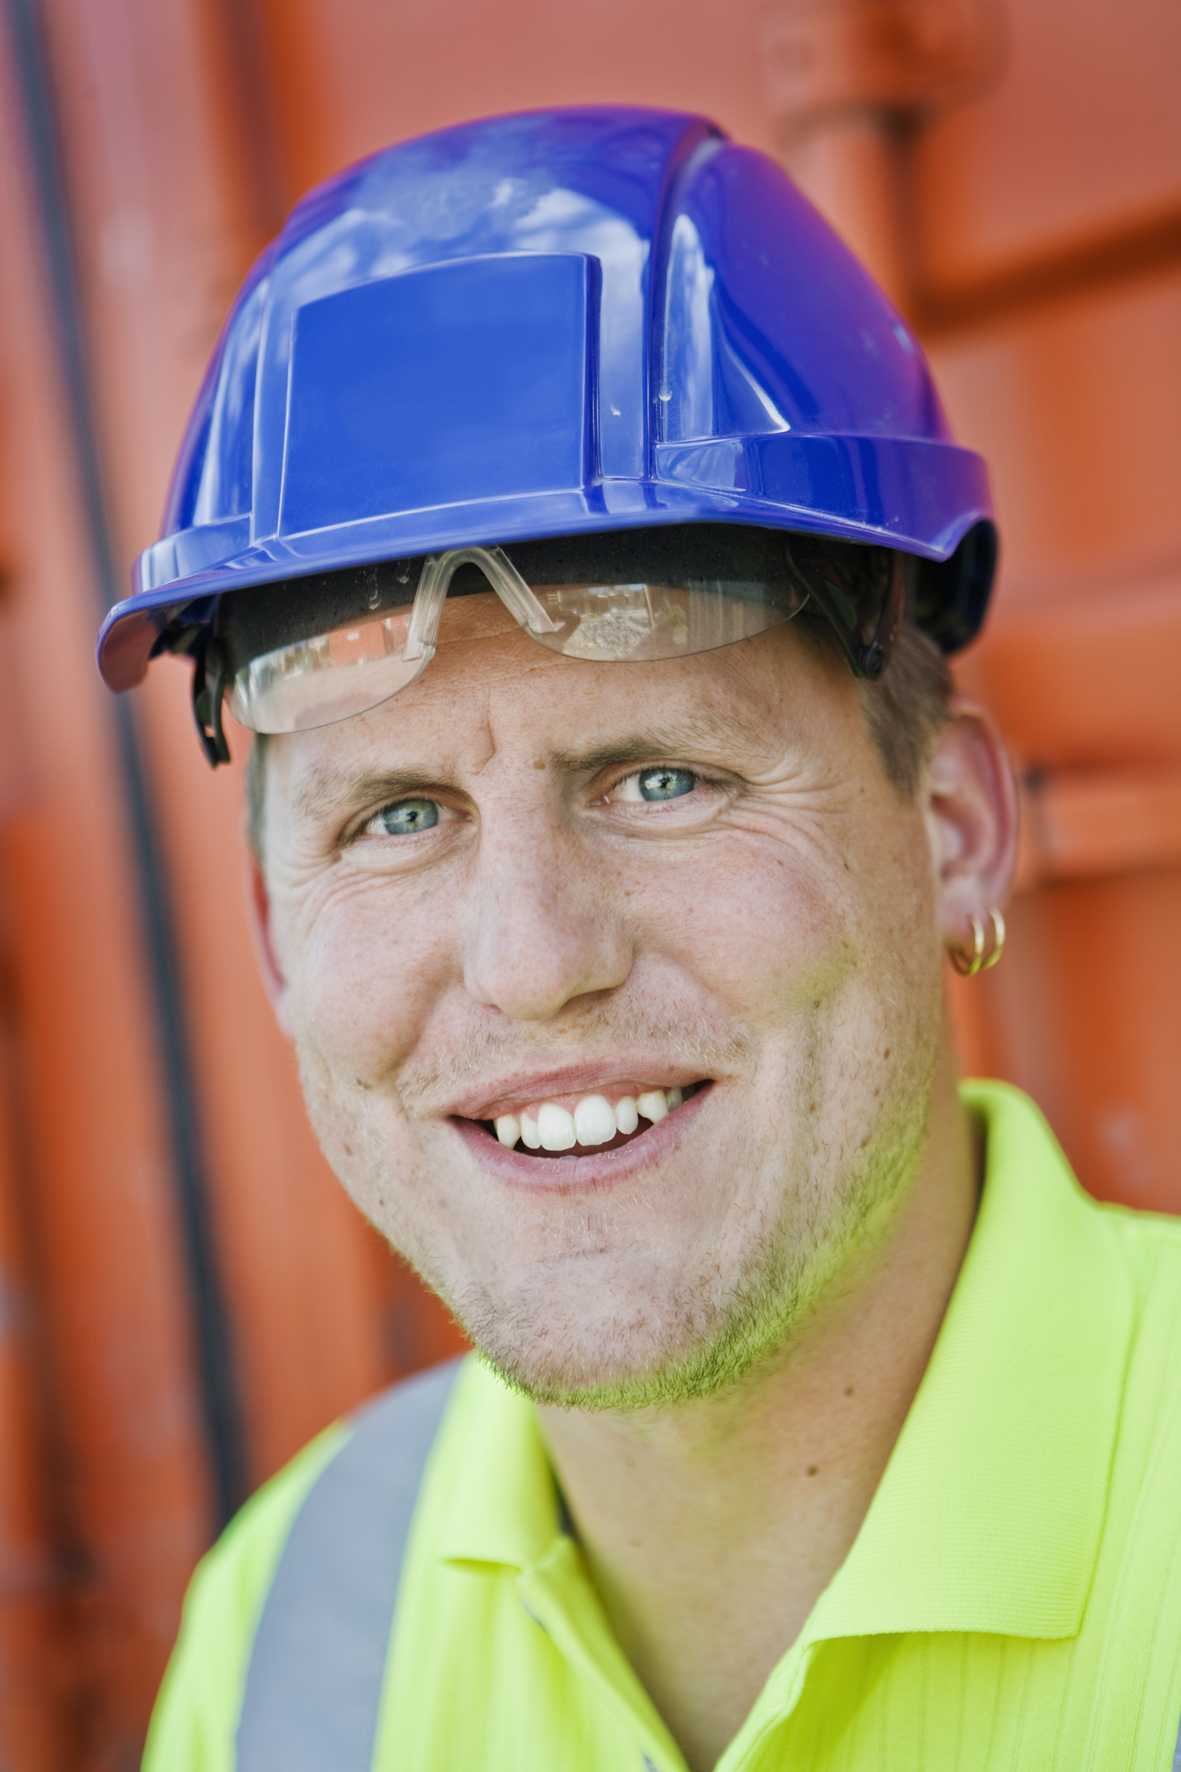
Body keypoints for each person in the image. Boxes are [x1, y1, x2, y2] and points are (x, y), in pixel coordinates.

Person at [99, 108, 1181, 1772]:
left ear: (949, 829)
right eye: (396, 817)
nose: (532, 963)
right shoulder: (290, 1632)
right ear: (275, 939)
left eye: (660, 779)